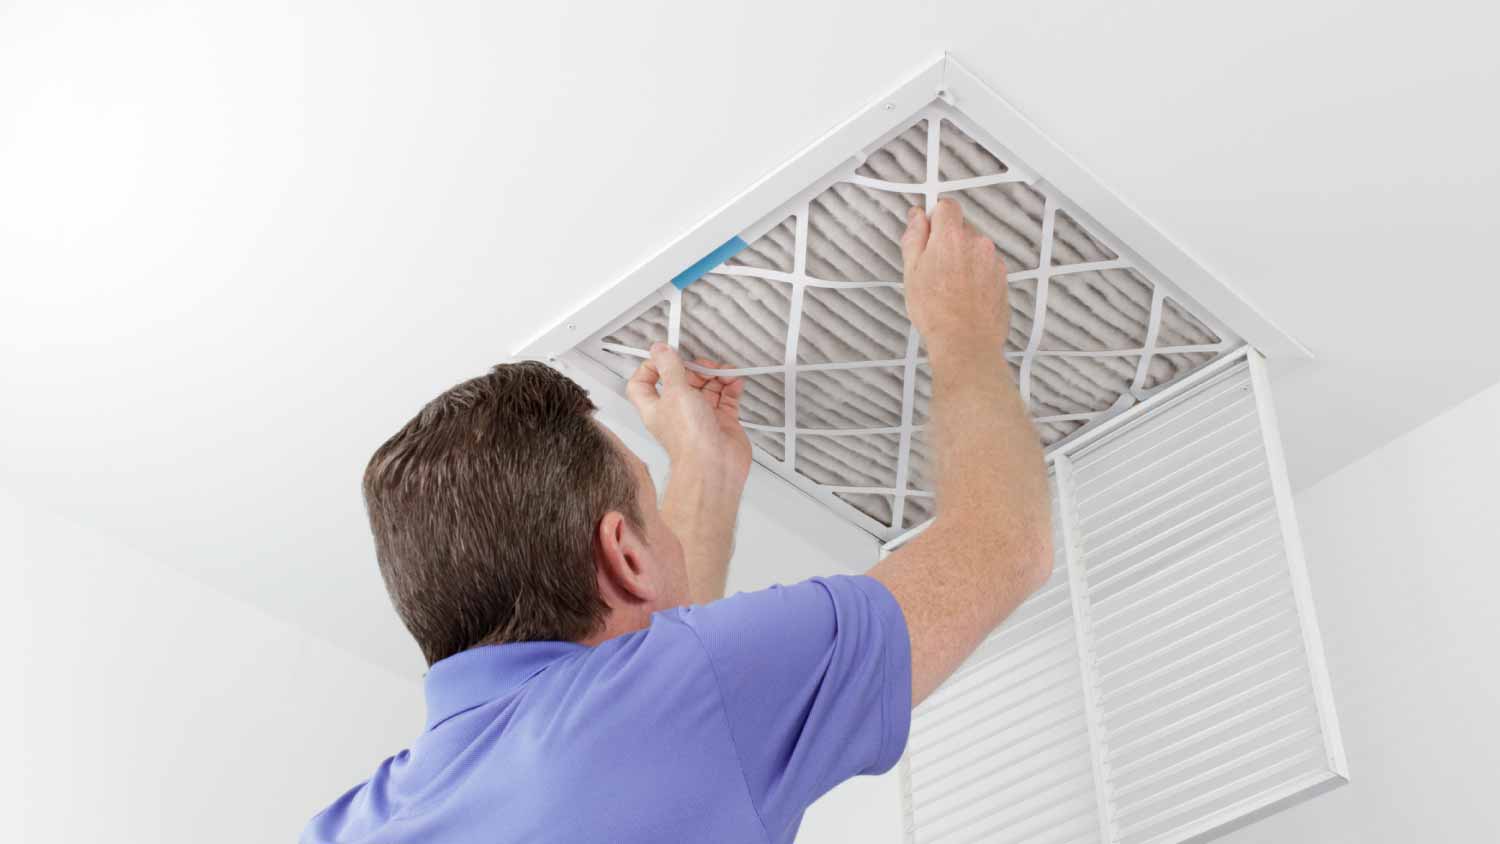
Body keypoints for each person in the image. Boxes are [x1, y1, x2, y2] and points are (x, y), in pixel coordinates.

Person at [301, 199, 1053, 843]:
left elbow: (652, 693)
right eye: (648, 507)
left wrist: (703, 470)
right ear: (624, 556)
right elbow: (1003, 543)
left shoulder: (350, 826)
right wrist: (964, 334)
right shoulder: (678, 697)